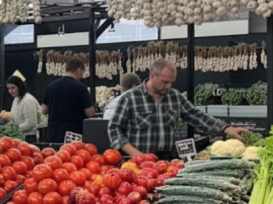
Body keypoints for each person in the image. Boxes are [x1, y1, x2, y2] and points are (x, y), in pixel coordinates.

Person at [108, 59, 249, 159]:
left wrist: (226, 128)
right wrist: (136, 154)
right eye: (165, 82)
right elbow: (114, 129)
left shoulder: (175, 96)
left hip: (168, 159)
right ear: (152, 76)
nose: (169, 86)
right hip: (139, 160)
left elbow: (196, 116)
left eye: (171, 82)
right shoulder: (130, 98)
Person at [42, 58, 95, 143]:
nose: (82, 76)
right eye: (82, 72)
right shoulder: (80, 87)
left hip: (53, 134)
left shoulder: (51, 86)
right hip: (73, 135)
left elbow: (44, 110)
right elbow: (90, 113)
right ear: (78, 70)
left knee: (54, 156)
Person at [0, 76, 41, 143]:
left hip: (29, 137)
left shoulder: (28, 100)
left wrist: (13, 130)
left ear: (19, 86)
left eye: (13, 88)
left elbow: (30, 123)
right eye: (8, 89)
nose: (10, 91)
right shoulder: (16, 99)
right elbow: (14, 118)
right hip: (18, 136)